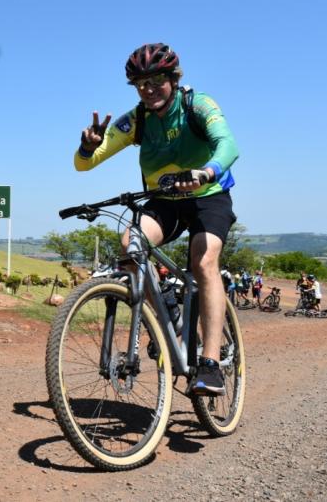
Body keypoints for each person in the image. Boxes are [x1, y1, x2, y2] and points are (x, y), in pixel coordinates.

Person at [75, 43, 239, 396]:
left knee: (203, 258)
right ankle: (168, 315)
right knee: (129, 245)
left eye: (157, 81)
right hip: (164, 201)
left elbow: (228, 144)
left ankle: (210, 364)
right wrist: (89, 146)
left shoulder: (198, 104)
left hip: (207, 197)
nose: (148, 89)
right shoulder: (137, 120)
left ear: (174, 79)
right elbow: (85, 164)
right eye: (140, 83)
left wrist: (208, 171)